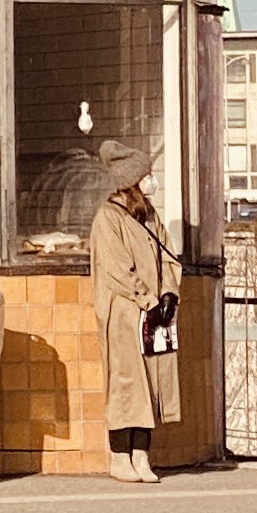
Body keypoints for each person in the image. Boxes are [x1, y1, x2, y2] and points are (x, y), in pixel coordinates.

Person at [91, 173, 181, 483]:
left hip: (152, 311)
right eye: (145, 176)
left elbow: (168, 257)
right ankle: (120, 455)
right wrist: (146, 299)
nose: (152, 181)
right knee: (126, 382)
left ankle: (141, 454)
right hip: (124, 313)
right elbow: (116, 268)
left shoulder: (149, 215)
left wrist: (169, 293)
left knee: (151, 382)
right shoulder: (108, 217)